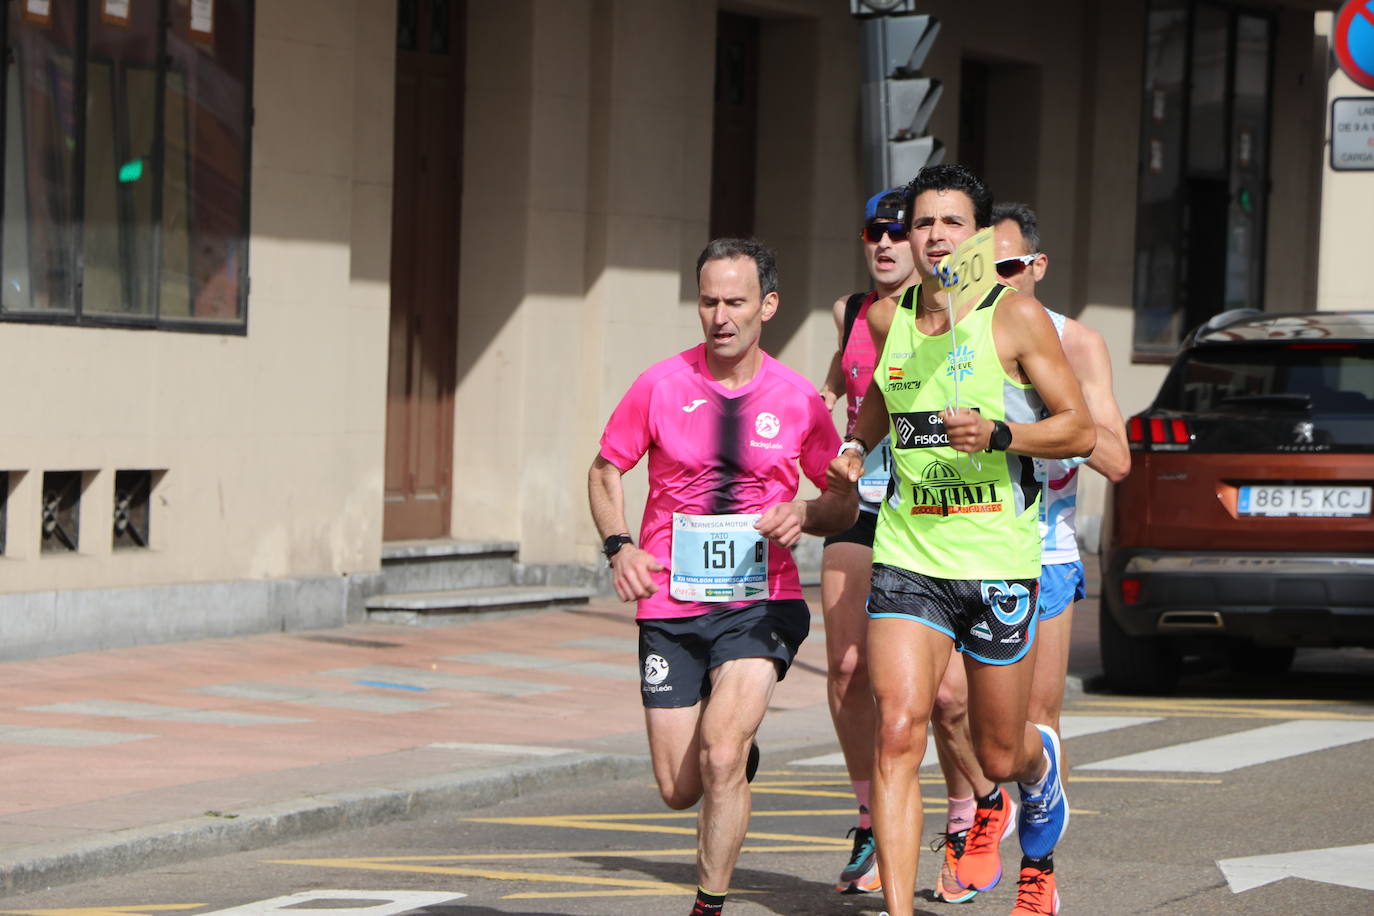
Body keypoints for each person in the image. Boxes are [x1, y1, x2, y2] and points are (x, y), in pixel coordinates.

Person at [833, 164, 1096, 916]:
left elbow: (1078, 427)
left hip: (998, 561)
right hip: (910, 553)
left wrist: (1002, 432)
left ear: (978, 235)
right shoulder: (888, 319)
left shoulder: (1013, 317)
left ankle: (1038, 771)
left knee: (997, 752)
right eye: (922, 224)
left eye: (951, 223)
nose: (935, 237)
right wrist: (857, 447)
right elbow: (883, 401)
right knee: (896, 727)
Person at [588, 237, 857, 916]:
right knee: (680, 788)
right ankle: (733, 761)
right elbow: (604, 469)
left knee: (719, 749)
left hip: (760, 603)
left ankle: (709, 903)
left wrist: (804, 510)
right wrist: (620, 546)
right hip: (672, 608)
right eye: (708, 301)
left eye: (735, 301)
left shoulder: (797, 398)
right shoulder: (660, 384)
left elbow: (842, 503)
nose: (720, 316)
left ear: (766, 304)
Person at [921, 202, 1134, 914]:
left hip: (1043, 550)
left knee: (1029, 727)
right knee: (946, 701)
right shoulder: (952, 332)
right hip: (959, 543)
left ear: (1037, 267)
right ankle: (988, 805)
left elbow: (1116, 458)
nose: (1003, 284)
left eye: (1013, 269)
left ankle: (1040, 868)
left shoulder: (1077, 342)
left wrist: (1030, 420)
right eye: (988, 269)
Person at [815, 188, 916, 895]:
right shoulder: (850, 312)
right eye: (873, 232)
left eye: (897, 232)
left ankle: (975, 805)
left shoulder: (943, 318)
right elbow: (833, 391)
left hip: (929, 508)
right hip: (858, 502)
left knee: (939, 697)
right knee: (847, 667)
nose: (883, 244)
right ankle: (870, 821)